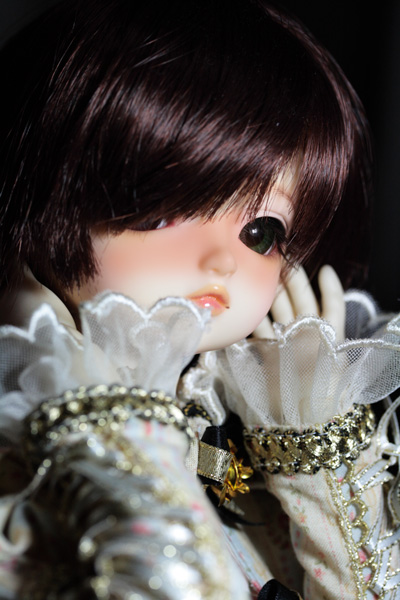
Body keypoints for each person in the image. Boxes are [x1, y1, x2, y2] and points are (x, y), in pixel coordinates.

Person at [0, 1, 399, 598]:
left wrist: (316, 462)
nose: (222, 262)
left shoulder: (238, 446)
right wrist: (105, 424)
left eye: (260, 232)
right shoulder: (29, 473)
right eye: (162, 211)